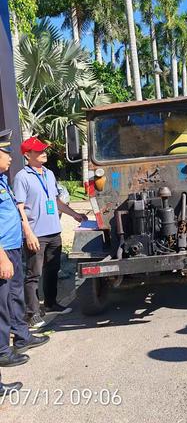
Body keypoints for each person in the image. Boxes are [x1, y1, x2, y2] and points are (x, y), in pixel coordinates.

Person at [13, 137, 87, 329]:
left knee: (52, 269)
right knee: (33, 274)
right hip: (36, 234)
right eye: (39, 151)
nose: (44, 153)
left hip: (54, 231)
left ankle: (51, 303)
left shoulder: (49, 173)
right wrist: (27, 232)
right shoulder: (22, 177)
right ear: (28, 155)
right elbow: (19, 207)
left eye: (44, 150)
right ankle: (32, 314)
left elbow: (55, 200)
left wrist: (74, 215)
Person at [0, 130, 49, 396]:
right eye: (5, 152)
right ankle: (3, 350)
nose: (9, 156)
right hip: (3, 251)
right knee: (3, 301)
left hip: (12, 246)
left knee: (14, 295)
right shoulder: (15, 178)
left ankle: (21, 336)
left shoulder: (2, 180)